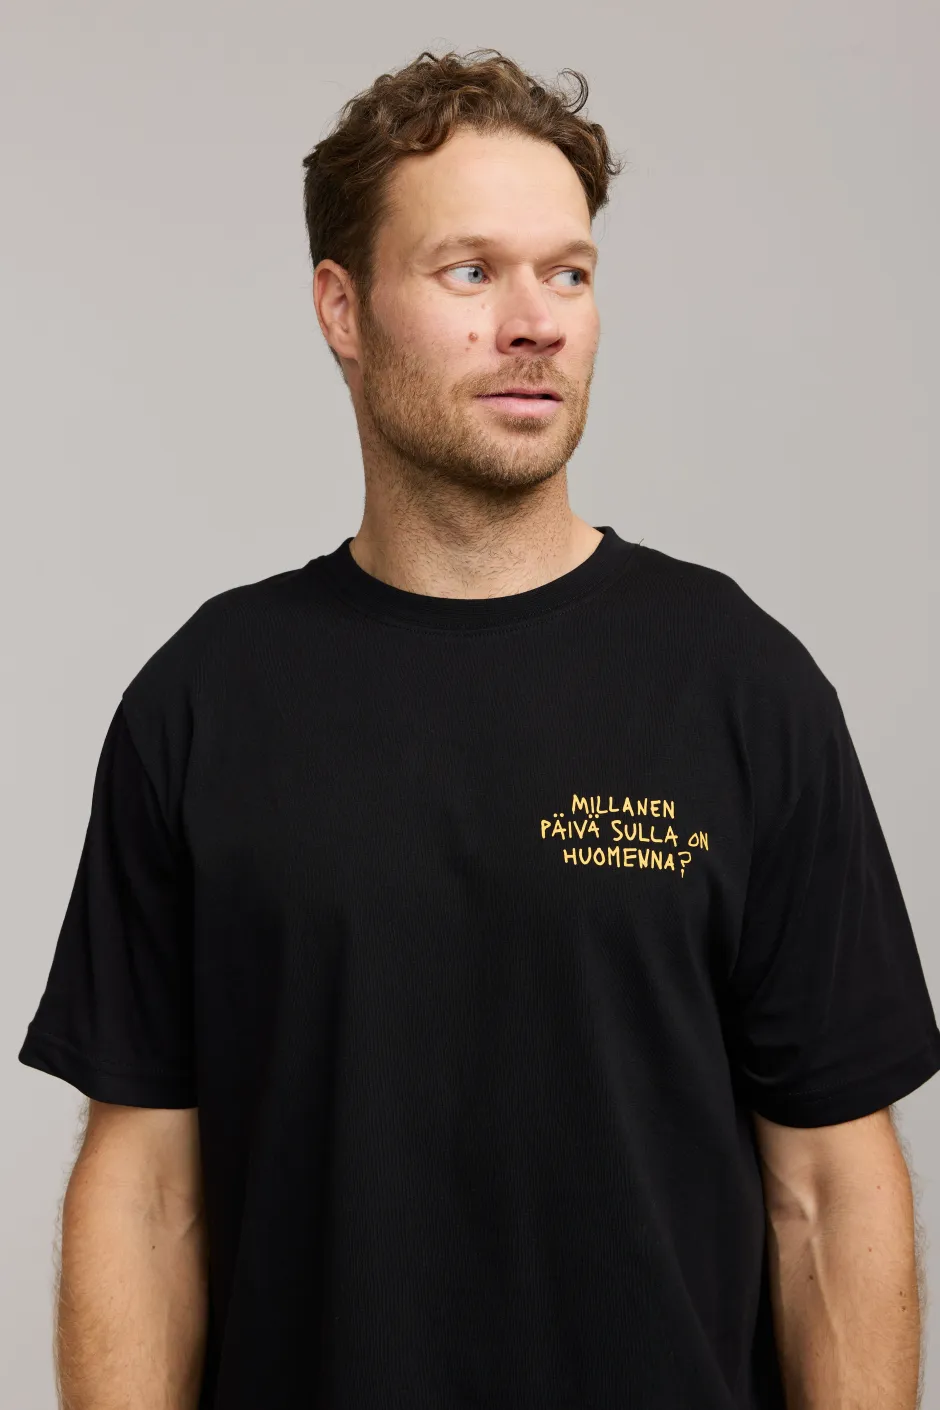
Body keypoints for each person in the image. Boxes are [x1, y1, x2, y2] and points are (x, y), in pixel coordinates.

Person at [18, 46, 940, 1410]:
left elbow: (828, 1191)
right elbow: (148, 1194)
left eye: (568, 273)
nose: (536, 323)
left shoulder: (743, 685)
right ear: (342, 307)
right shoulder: (206, 698)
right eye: (471, 272)